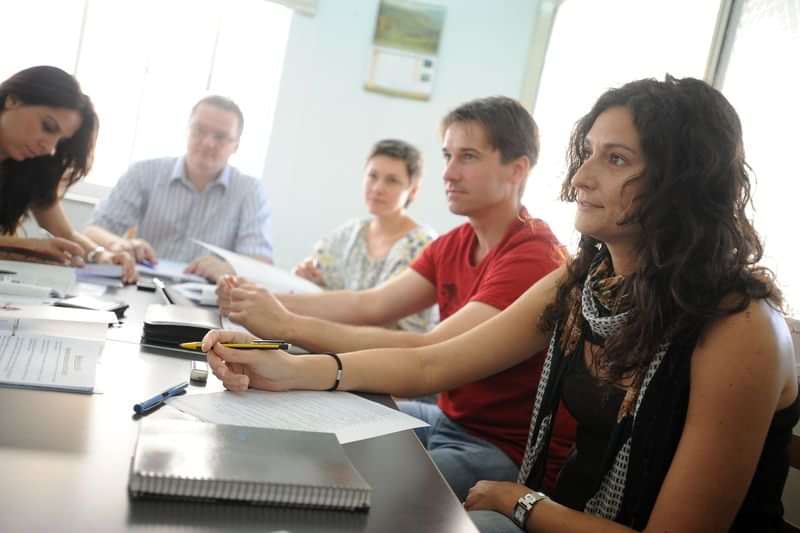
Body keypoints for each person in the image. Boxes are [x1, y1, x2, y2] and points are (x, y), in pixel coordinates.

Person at [203, 76, 799, 532]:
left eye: (615, 159)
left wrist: (523, 501)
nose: (580, 177)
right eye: (587, 152)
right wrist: (285, 369)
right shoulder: (583, 281)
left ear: (684, 185)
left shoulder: (739, 329)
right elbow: (436, 365)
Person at [215, 96, 577, 501]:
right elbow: (368, 305)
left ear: (517, 169)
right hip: (446, 417)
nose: (449, 173)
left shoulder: (533, 255)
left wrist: (286, 324)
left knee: (340, 475)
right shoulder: (457, 241)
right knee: (306, 432)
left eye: (468, 157)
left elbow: (430, 350)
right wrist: (260, 300)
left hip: (498, 448)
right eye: (447, 156)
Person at [83, 95, 273, 281]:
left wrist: (228, 268)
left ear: (236, 145)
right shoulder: (144, 172)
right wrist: (120, 244)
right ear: (187, 130)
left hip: (211, 300)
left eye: (221, 137)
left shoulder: (250, 191)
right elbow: (93, 232)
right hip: (141, 284)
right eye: (199, 130)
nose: (208, 143)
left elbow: (260, 263)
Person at [0, 65, 136, 282]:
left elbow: (66, 233)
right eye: (47, 126)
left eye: (60, 140)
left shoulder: (28, 165)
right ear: (13, 100)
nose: (49, 148)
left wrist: (102, 255)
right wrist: (27, 247)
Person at [292, 139, 438, 333]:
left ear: (413, 190)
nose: (377, 188)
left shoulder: (422, 244)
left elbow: (393, 324)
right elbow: (314, 284)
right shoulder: (349, 233)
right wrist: (304, 279)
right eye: (372, 176)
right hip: (330, 343)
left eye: (392, 180)